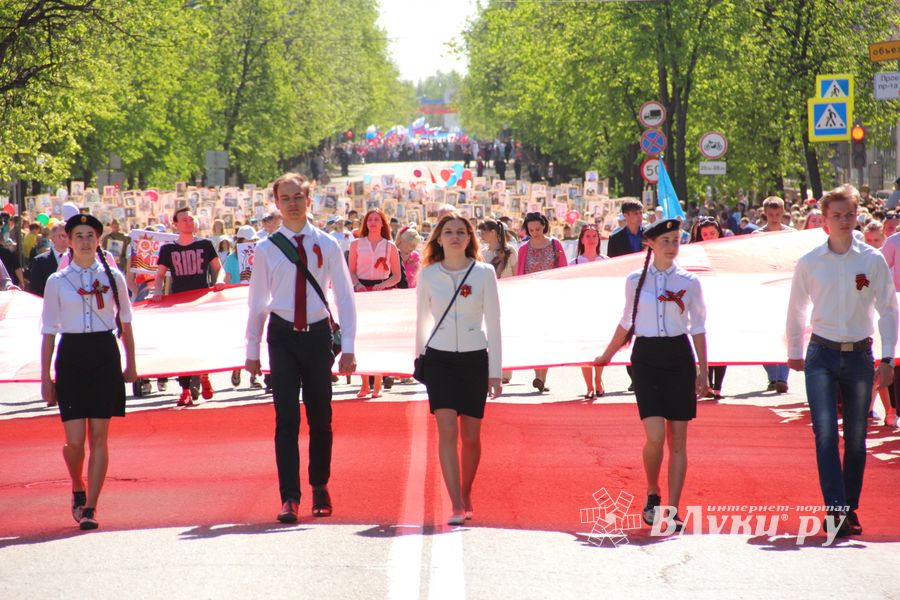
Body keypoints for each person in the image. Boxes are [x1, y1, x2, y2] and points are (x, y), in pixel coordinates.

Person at [245, 172, 357, 523]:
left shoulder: (327, 244)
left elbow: (345, 296)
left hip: (318, 336)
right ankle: (289, 496)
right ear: (276, 203)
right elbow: (258, 302)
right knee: (286, 419)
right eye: (285, 198)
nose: (292, 204)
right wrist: (251, 350)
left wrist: (350, 346)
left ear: (309, 200)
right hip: (281, 338)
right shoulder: (265, 249)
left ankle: (320, 484)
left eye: (298, 197)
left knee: (321, 417)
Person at [786, 186, 898, 537]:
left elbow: (888, 308)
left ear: (857, 216)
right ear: (824, 221)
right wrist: (793, 349)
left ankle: (849, 508)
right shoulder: (810, 262)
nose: (844, 221)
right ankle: (835, 509)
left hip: (860, 357)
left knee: (856, 436)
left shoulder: (872, 259)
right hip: (821, 354)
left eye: (849, 214)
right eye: (836, 215)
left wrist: (887, 357)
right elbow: (797, 307)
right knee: (824, 434)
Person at [594, 218, 708, 531]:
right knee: (655, 436)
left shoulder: (689, 281)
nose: (672, 246)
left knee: (679, 441)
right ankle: (652, 490)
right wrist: (605, 356)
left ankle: (673, 509)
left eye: (676, 240)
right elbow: (626, 321)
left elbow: (698, 327)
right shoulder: (634, 280)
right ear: (651, 244)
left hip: (678, 357)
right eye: (666, 240)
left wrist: (704, 370)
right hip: (645, 358)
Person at [40, 214, 137, 530]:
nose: (84, 241)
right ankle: (77, 485)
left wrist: (131, 363)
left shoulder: (113, 277)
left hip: (103, 355)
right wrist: (45, 377)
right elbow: (49, 331)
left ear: (98, 240)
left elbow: (126, 323)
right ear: (68, 240)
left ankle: (91, 506)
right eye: (78, 235)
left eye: (90, 236)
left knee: (99, 435)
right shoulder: (57, 281)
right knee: (75, 441)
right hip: (71, 356)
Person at [416, 213, 502, 525]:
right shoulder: (428, 274)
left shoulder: (484, 273)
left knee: (472, 435)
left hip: (474, 358)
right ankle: (454, 502)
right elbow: (421, 320)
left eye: (461, 232)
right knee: (447, 429)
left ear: (470, 238)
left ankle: (466, 492)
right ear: (438, 239)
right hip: (439, 359)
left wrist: (496, 371)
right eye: (448, 232)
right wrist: (418, 359)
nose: (455, 237)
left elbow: (493, 322)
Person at [151, 207, 226, 406]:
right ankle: (184, 390)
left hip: (202, 302)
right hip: (178, 304)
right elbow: (159, 275)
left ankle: (204, 376)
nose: (188, 223)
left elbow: (219, 269)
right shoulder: (168, 249)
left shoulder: (205, 244)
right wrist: (158, 291)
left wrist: (219, 281)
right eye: (184, 220)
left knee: (201, 342)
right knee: (181, 346)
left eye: (191, 219)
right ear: (175, 224)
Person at [348, 209, 401, 398]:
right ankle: (364, 383)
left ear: (382, 223)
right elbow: (351, 270)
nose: (372, 222)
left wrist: (382, 285)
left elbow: (397, 275)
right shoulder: (356, 244)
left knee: (379, 338)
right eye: (369, 219)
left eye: (376, 219)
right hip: (361, 291)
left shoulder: (390, 247)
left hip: (381, 292)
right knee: (361, 337)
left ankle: (377, 383)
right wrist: (358, 285)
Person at [516, 212, 567, 392]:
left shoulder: (555, 244)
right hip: (530, 299)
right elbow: (519, 274)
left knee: (548, 337)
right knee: (534, 337)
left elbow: (563, 270)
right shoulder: (523, 249)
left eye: (538, 229)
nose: (535, 232)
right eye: (531, 230)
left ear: (544, 226)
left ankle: (542, 377)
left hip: (551, 298)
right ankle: (538, 376)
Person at [569, 224, 609, 397]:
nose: (591, 239)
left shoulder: (606, 261)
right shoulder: (574, 263)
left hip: (601, 311)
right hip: (581, 312)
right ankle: (589, 387)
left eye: (594, 236)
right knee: (584, 350)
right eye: (588, 236)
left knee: (600, 349)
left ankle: (598, 379)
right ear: (582, 240)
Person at [690, 217, 727, 399]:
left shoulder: (728, 252)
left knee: (721, 342)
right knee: (703, 341)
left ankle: (717, 386)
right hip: (701, 303)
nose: (709, 237)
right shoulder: (693, 253)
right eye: (705, 234)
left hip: (721, 302)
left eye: (712, 233)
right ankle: (705, 382)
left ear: (719, 232)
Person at [29, 223, 69, 297]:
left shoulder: (77, 259)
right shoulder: (40, 261)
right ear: (52, 237)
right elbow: (36, 290)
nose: (66, 239)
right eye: (62, 236)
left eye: (69, 236)